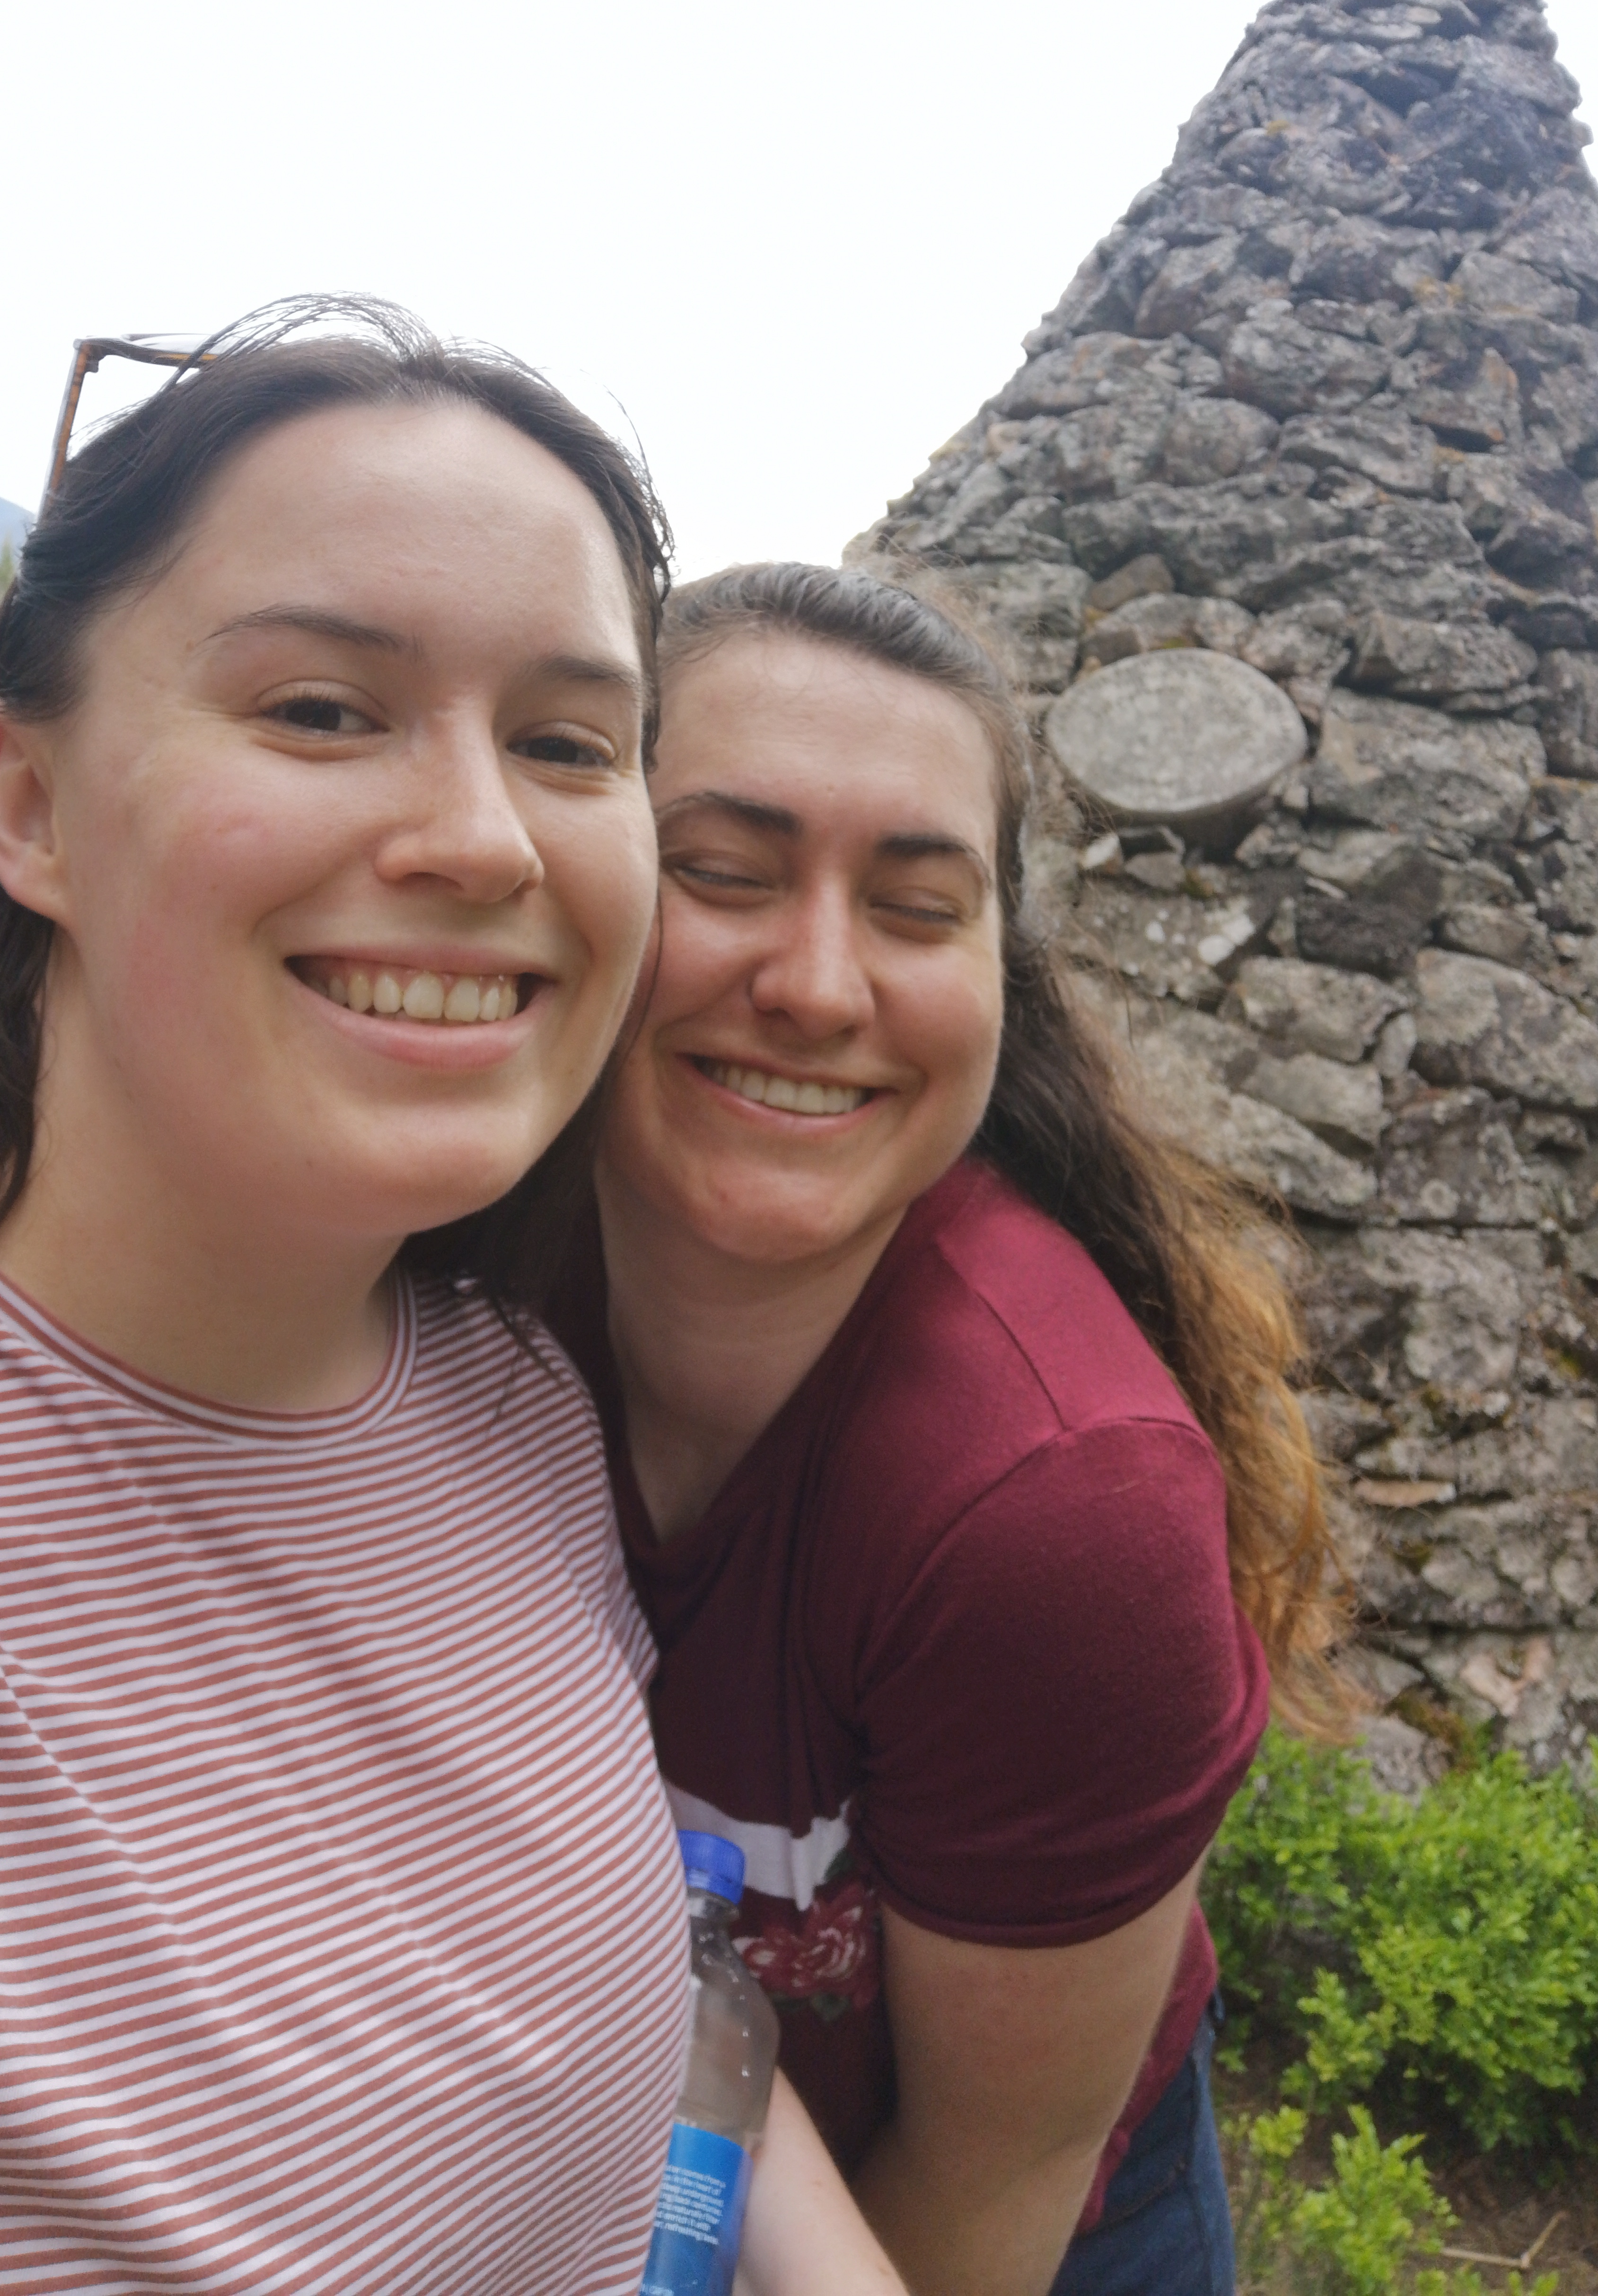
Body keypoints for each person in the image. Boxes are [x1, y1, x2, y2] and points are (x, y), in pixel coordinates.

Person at [0, 308, 903, 2296]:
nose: (478, 837)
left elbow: (645, 2023)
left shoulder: (511, 1396)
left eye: (566, 742)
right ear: (28, 804)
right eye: (318, 709)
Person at [550, 561, 1350, 2296]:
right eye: (723, 872)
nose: (820, 985)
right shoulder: (435, 1291)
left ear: (1003, 970)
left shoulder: (1055, 1516)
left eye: (918, 907)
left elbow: (995, 2183)